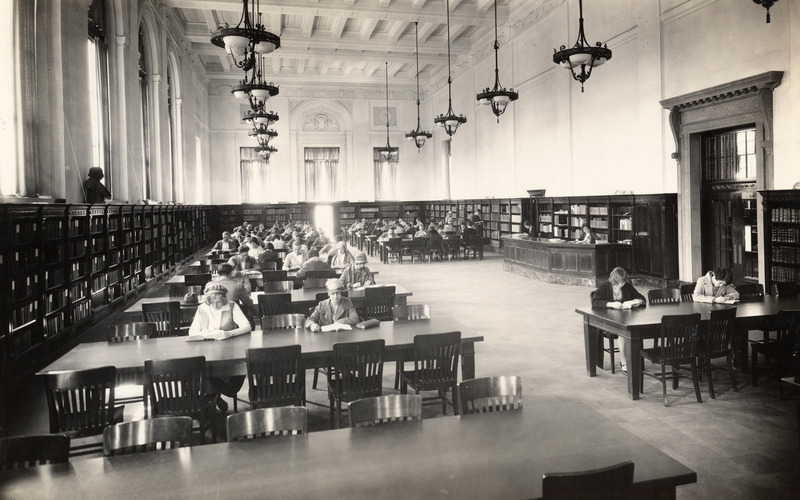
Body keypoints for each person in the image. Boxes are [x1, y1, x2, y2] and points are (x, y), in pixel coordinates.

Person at [188, 282, 252, 411]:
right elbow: (192, 332)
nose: (216, 306)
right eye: (213, 302)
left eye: (219, 302)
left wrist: (230, 333)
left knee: (220, 374)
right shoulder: (202, 308)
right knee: (200, 369)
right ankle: (212, 398)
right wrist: (203, 333)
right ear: (208, 300)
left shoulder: (232, 306)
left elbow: (247, 326)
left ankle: (214, 396)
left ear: (224, 299)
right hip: (207, 352)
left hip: (229, 353)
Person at [591, 267, 646, 374]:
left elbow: (641, 297)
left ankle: (633, 359)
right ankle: (624, 361)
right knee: (623, 332)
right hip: (608, 320)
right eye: (618, 284)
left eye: (623, 283)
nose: (621, 285)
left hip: (625, 318)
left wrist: (638, 301)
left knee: (630, 329)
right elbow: (595, 302)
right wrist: (610, 304)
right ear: (613, 281)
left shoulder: (627, 286)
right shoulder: (604, 287)